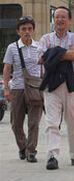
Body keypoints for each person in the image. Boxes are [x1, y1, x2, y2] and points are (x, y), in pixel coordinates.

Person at [38, 6, 74, 170]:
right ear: (53, 19)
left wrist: (54, 53)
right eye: (57, 17)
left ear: (69, 20)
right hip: (51, 83)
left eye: (63, 17)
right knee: (51, 121)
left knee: (73, 120)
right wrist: (64, 54)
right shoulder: (45, 38)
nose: (60, 20)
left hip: (71, 82)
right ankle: (52, 155)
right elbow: (41, 59)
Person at [2, 16, 43, 163]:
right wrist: (7, 89)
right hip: (18, 88)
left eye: (29, 29)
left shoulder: (39, 47)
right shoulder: (12, 48)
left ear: (33, 30)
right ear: (18, 31)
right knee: (16, 123)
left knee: (34, 123)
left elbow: (43, 67)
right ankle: (22, 147)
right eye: (23, 29)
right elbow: (7, 68)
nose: (27, 32)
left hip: (35, 88)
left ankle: (31, 151)